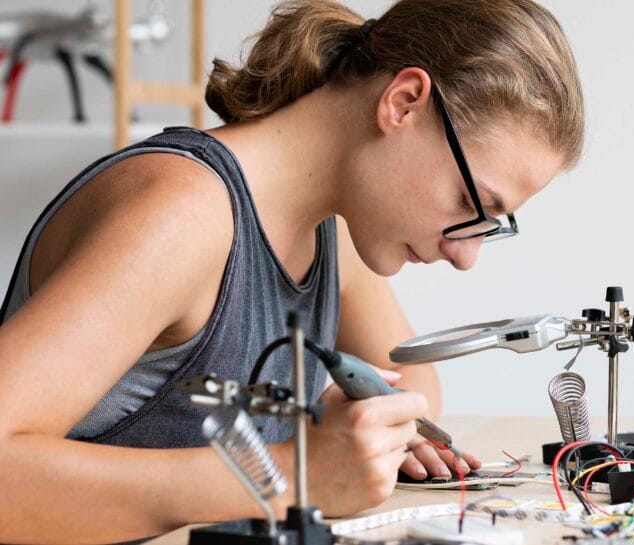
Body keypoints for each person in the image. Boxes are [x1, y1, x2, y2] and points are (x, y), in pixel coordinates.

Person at [0, 0, 584, 542]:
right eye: (468, 202)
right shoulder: (181, 212)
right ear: (403, 102)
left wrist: (375, 432)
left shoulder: (334, 228)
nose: (465, 256)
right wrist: (287, 476)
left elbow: (409, 379)